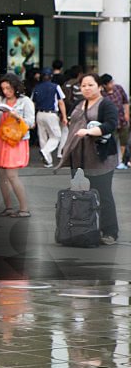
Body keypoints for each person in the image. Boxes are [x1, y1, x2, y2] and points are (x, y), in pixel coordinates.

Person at [59, 73, 120, 245]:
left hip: (100, 159)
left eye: (90, 85)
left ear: (99, 86)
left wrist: (90, 131)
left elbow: (111, 124)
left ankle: (110, 231)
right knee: (79, 195)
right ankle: (83, 229)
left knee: (103, 194)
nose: (86, 88)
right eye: (84, 85)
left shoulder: (106, 104)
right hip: (79, 157)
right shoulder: (80, 105)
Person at [0, 73, 35, 218]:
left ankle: (24, 208)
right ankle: (8, 207)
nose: (6, 91)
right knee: (2, 176)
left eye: (9, 88)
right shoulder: (1, 99)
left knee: (12, 175)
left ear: (15, 87)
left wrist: (16, 116)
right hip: (0, 139)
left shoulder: (25, 101)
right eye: (3, 89)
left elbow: (31, 123)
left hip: (15, 141)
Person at [31, 69, 67, 168]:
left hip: (39, 114)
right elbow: (61, 102)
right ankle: (45, 151)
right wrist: (64, 116)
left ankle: (48, 161)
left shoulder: (36, 88)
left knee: (42, 137)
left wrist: (32, 118)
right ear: (51, 76)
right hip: (51, 114)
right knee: (56, 136)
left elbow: (32, 104)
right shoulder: (55, 87)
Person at [99, 74, 130, 169]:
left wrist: (127, 114)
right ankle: (113, 161)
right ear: (104, 85)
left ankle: (123, 161)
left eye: (112, 82)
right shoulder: (102, 94)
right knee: (112, 141)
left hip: (122, 119)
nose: (112, 84)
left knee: (124, 141)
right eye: (110, 83)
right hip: (111, 122)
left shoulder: (118, 88)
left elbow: (125, 101)